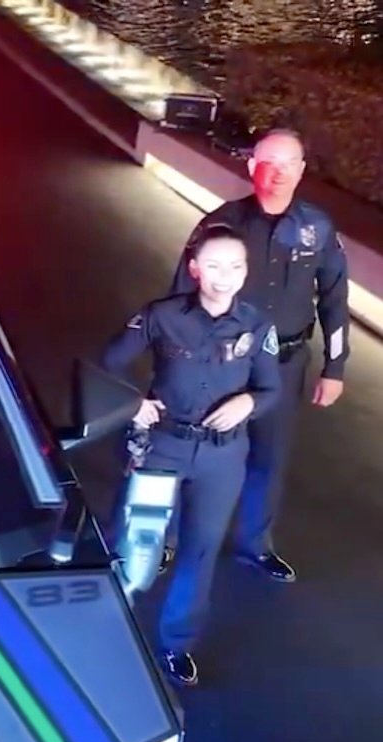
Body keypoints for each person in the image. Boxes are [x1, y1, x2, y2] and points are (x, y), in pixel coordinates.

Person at [169, 127, 348, 584]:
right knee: (196, 450)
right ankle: (168, 539)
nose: (277, 173)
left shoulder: (317, 228)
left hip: (284, 366)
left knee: (269, 459)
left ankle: (255, 545)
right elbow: (180, 294)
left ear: (302, 170)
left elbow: (333, 296)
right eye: (267, 162)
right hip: (221, 364)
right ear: (251, 167)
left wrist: (335, 366)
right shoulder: (221, 225)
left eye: (288, 163)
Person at [107, 225, 281, 687]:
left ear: (246, 271)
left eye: (236, 266)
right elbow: (109, 363)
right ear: (195, 269)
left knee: (199, 550)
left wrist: (249, 403)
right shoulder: (161, 316)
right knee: (136, 542)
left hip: (221, 459)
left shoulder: (257, 325)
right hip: (163, 445)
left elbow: (271, 388)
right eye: (215, 265)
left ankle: (176, 644)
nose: (225, 277)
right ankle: (109, 624)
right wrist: (132, 403)